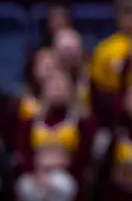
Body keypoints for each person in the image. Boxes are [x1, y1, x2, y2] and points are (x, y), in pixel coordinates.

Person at [14, 70, 94, 201]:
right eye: (53, 85)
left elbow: (84, 156)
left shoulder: (81, 122)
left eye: (62, 85)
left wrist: (61, 164)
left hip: (68, 175)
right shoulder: (30, 121)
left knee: (61, 185)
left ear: (70, 90)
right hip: (35, 174)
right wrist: (37, 171)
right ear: (44, 89)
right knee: (27, 187)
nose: (57, 88)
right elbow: (22, 152)